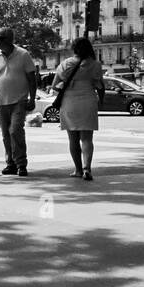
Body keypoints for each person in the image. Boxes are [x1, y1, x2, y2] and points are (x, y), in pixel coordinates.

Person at [0, 27, 39, 176]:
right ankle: (11, 164)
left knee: (15, 131)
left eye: (0, 38)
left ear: (10, 39)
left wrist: (32, 98)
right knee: (6, 135)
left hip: (19, 101)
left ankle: (21, 164)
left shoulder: (23, 55)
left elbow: (32, 79)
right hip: (1, 103)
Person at [52, 37, 106, 181]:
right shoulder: (95, 65)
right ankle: (87, 168)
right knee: (87, 139)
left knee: (73, 139)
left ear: (74, 48)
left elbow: (54, 86)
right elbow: (100, 86)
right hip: (88, 101)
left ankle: (77, 169)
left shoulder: (65, 64)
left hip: (69, 102)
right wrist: (101, 102)